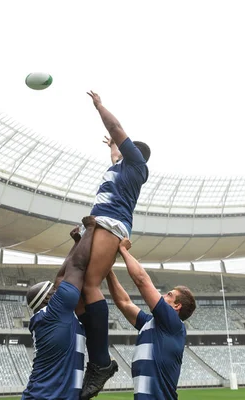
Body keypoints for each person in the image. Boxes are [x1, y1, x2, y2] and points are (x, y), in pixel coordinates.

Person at [79, 91, 151, 399]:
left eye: (122, 149)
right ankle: (88, 347)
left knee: (91, 285)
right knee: (79, 287)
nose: (118, 151)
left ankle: (102, 362)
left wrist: (99, 107)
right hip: (100, 221)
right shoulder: (120, 165)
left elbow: (118, 129)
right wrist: (111, 148)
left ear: (133, 153)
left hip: (111, 223)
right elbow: (115, 152)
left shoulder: (136, 166)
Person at [105, 238, 196, 399]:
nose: (162, 295)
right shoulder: (150, 323)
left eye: (169, 295)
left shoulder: (173, 324)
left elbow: (142, 280)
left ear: (177, 306)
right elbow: (123, 303)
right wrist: (107, 269)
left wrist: (123, 250)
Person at [22, 216, 96, 400]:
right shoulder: (54, 312)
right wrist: (91, 229)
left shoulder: (50, 315)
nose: (59, 288)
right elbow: (77, 266)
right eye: (54, 290)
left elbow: (61, 278)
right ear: (48, 297)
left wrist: (76, 243)